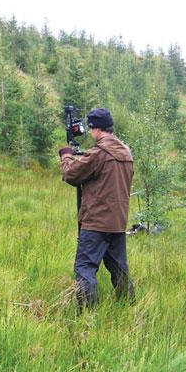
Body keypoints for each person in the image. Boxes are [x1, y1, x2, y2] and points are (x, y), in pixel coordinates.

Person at [59, 107, 135, 306]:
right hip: (117, 222)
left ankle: (86, 315)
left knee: (85, 267)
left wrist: (67, 156)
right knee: (119, 268)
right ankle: (128, 306)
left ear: (96, 129)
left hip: (96, 222)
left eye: (91, 129)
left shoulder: (99, 153)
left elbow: (72, 175)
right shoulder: (126, 152)